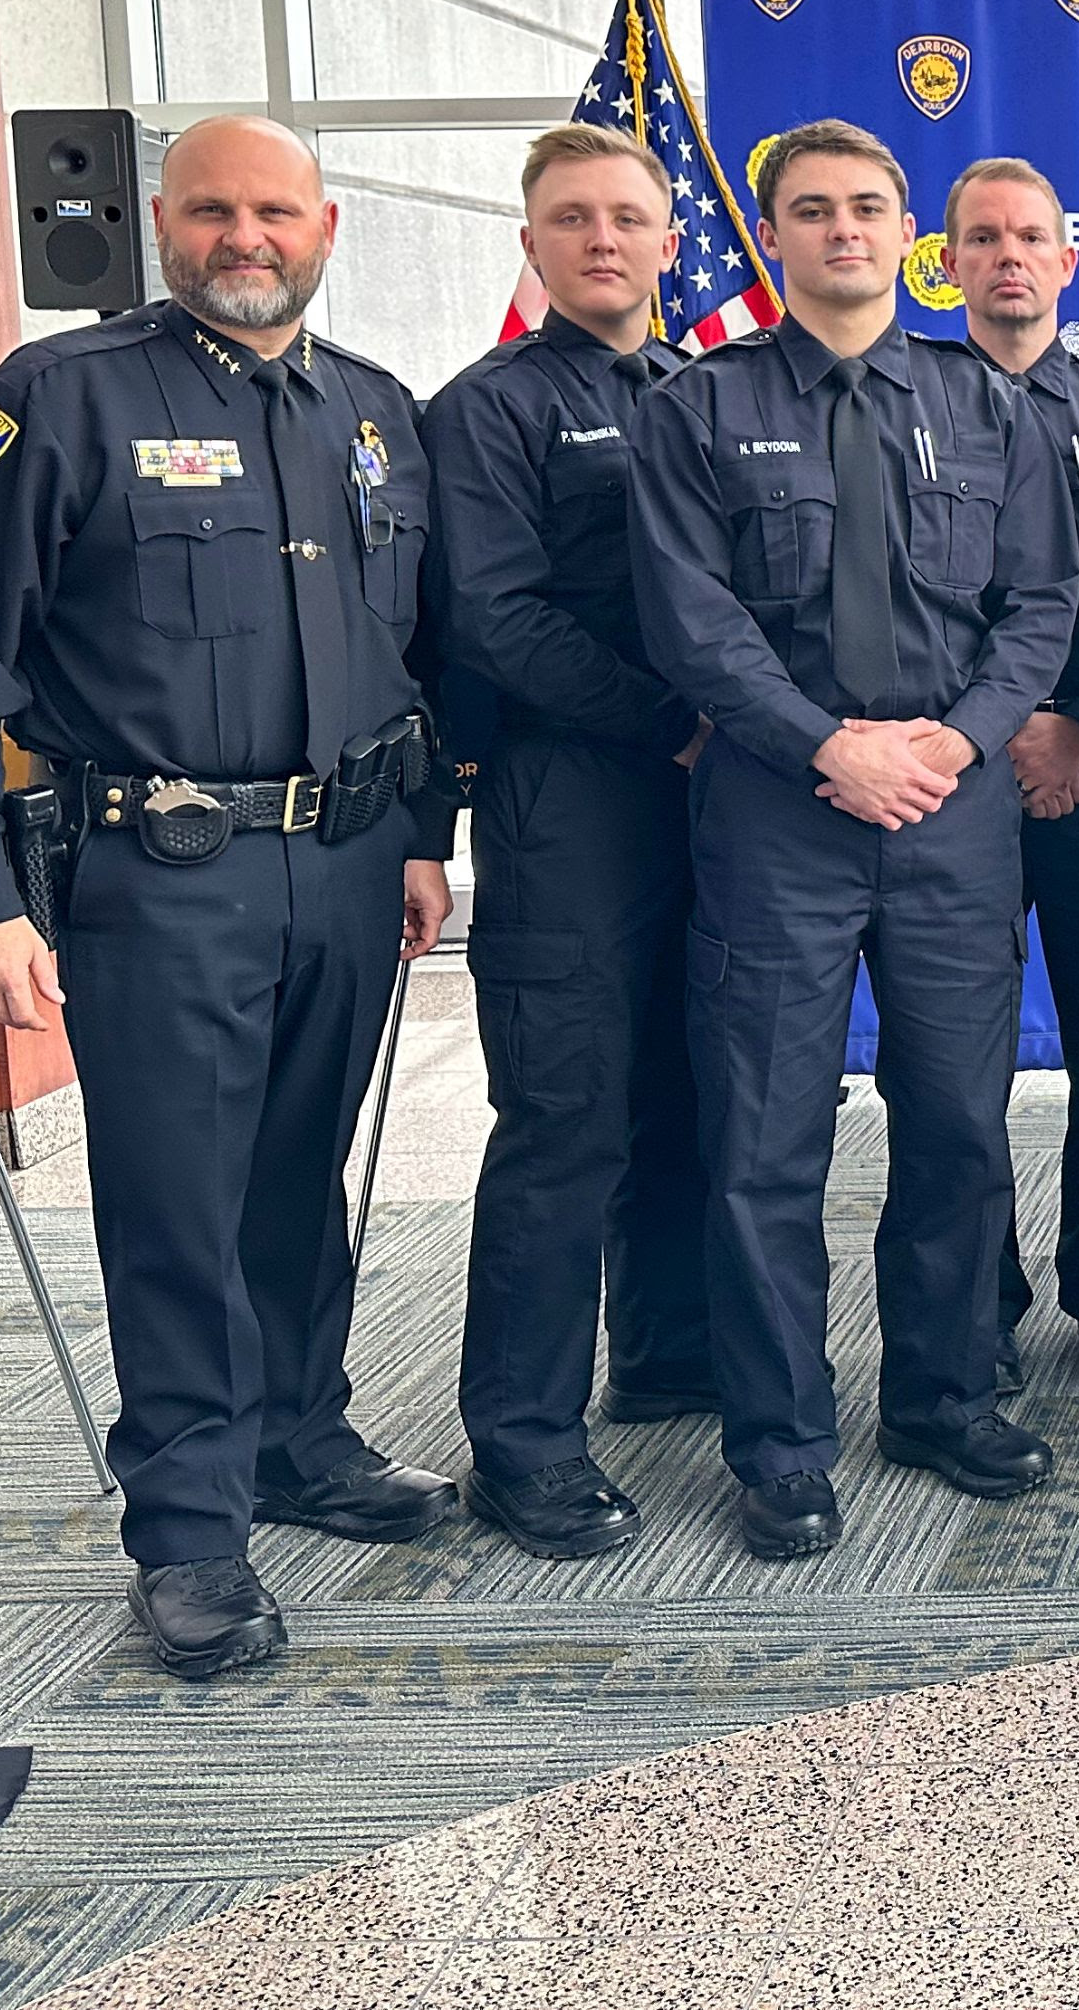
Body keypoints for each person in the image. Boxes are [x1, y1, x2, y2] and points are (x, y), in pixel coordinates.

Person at [0, 114, 456, 1680]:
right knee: (178, 1205)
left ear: (326, 224)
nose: (245, 237)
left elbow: (409, 656)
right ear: (162, 220)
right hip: (163, 871)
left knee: (297, 1174)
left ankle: (299, 1434)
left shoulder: (375, 412)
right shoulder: (51, 400)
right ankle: (191, 1533)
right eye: (213, 209)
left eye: (274, 209)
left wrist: (416, 829)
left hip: (345, 863)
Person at [628, 118, 1075, 1559]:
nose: (841, 230)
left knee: (956, 1123)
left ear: (908, 236)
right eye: (809, 209)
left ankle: (942, 1394)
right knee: (766, 1140)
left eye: (866, 207)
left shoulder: (981, 405)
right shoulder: (701, 408)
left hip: (951, 809)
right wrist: (825, 741)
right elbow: (691, 617)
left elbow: (1041, 603)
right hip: (779, 811)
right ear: (770, 236)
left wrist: (954, 736)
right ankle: (781, 1439)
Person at [427, 123, 714, 1560]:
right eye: (569, 218)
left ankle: (666, 1351)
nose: (602, 238)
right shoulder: (488, 409)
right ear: (529, 241)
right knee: (564, 1119)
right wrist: (674, 721)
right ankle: (522, 1441)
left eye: (626, 216)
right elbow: (494, 618)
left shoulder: (698, 390)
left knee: (687, 1092)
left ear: (671, 239)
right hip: (571, 804)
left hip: (711, 801)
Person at [946, 154, 1079, 1391]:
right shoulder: (906, 397)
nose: (1011, 256)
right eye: (986, 238)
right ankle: (979, 1292)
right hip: (953, 781)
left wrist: (1076, 722)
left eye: (1033, 236)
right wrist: (995, 735)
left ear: (1069, 260)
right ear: (954, 259)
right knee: (958, 1053)